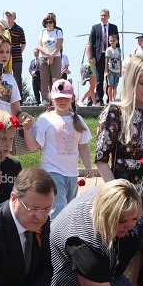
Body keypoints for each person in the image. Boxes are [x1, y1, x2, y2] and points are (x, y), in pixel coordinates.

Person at [47, 179, 143, 286]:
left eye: (135, 218)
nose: (130, 226)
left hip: (105, 253)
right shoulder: (85, 244)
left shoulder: (119, 194)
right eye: (122, 221)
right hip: (67, 267)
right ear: (108, 214)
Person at [94, 56, 143, 259]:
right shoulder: (115, 111)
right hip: (122, 191)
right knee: (122, 253)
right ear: (131, 81)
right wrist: (117, 194)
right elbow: (100, 158)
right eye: (142, 83)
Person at [21, 79, 92, 215]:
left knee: (70, 209)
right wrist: (27, 130)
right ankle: (54, 235)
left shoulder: (78, 120)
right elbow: (33, 146)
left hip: (71, 173)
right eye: (58, 98)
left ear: (72, 99)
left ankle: (64, 234)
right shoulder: (45, 119)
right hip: (52, 171)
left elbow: (83, 146)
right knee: (58, 207)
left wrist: (88, 166)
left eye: (65, 98)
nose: (62, 101)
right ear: (52, 99)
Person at [35, 13, 63, 106]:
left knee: (56, 79)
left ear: (54, 22)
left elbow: (59, 45)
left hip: (56, 57)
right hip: (43, 57)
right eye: (46, 22)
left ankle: (56, 98)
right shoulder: (42, 32)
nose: (48, 24)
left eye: (50, 22)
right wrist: (47, 54)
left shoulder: (57, 32)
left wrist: (52, 55)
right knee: (44, 79)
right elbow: (39, 46)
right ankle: (45, 100)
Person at [3, 10, 26, 93]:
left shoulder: (19, 29)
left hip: (17, 58)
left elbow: (23, 43)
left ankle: (19, 98)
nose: (8, 17)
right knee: (5, 76)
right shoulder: (3, 29)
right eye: (7, 16)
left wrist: (19, 52)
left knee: (17, 78)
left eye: (10, 16)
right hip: (5, 57)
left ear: (14, 17)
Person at [104, 33, 122, 102]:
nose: (112, 42)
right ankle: (110, 99)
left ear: (117, 41)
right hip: (111, 69)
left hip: (117, 70)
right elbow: (106, 60)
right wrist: (106, 71)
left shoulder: (119, 50)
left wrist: (120, 70)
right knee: (110, 85)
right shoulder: (108, 50)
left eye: (113, 41)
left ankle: (114, 98)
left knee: (115, 86)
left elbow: (120, 60)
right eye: (110, 41)